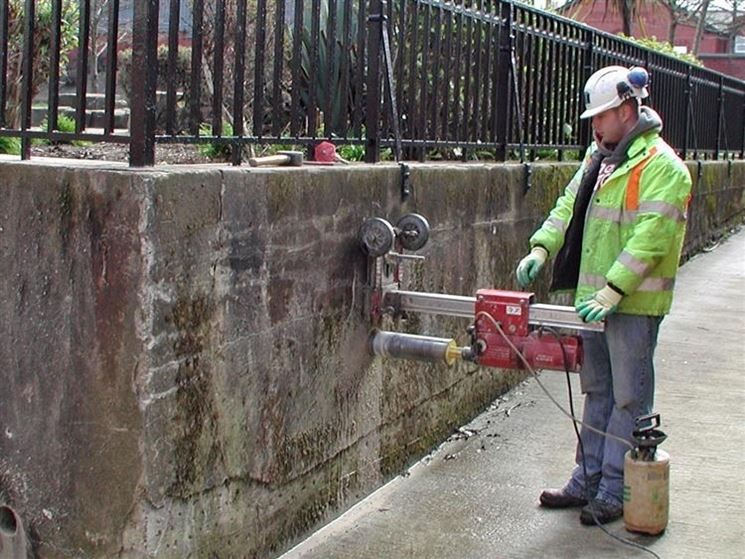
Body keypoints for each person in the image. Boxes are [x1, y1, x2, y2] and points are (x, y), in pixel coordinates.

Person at [515, 65, 692, 525]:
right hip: (595, 303)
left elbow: (651, 239)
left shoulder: (663, 168)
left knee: (629, 399)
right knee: (598, 392)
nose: (595, 124)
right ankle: (587, 478)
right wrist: (540, 246)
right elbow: (565, 210)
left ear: (629, 108)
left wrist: (614, 289)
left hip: (632, 305)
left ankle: (616, 488)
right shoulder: (600, 161)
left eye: (603, 115)